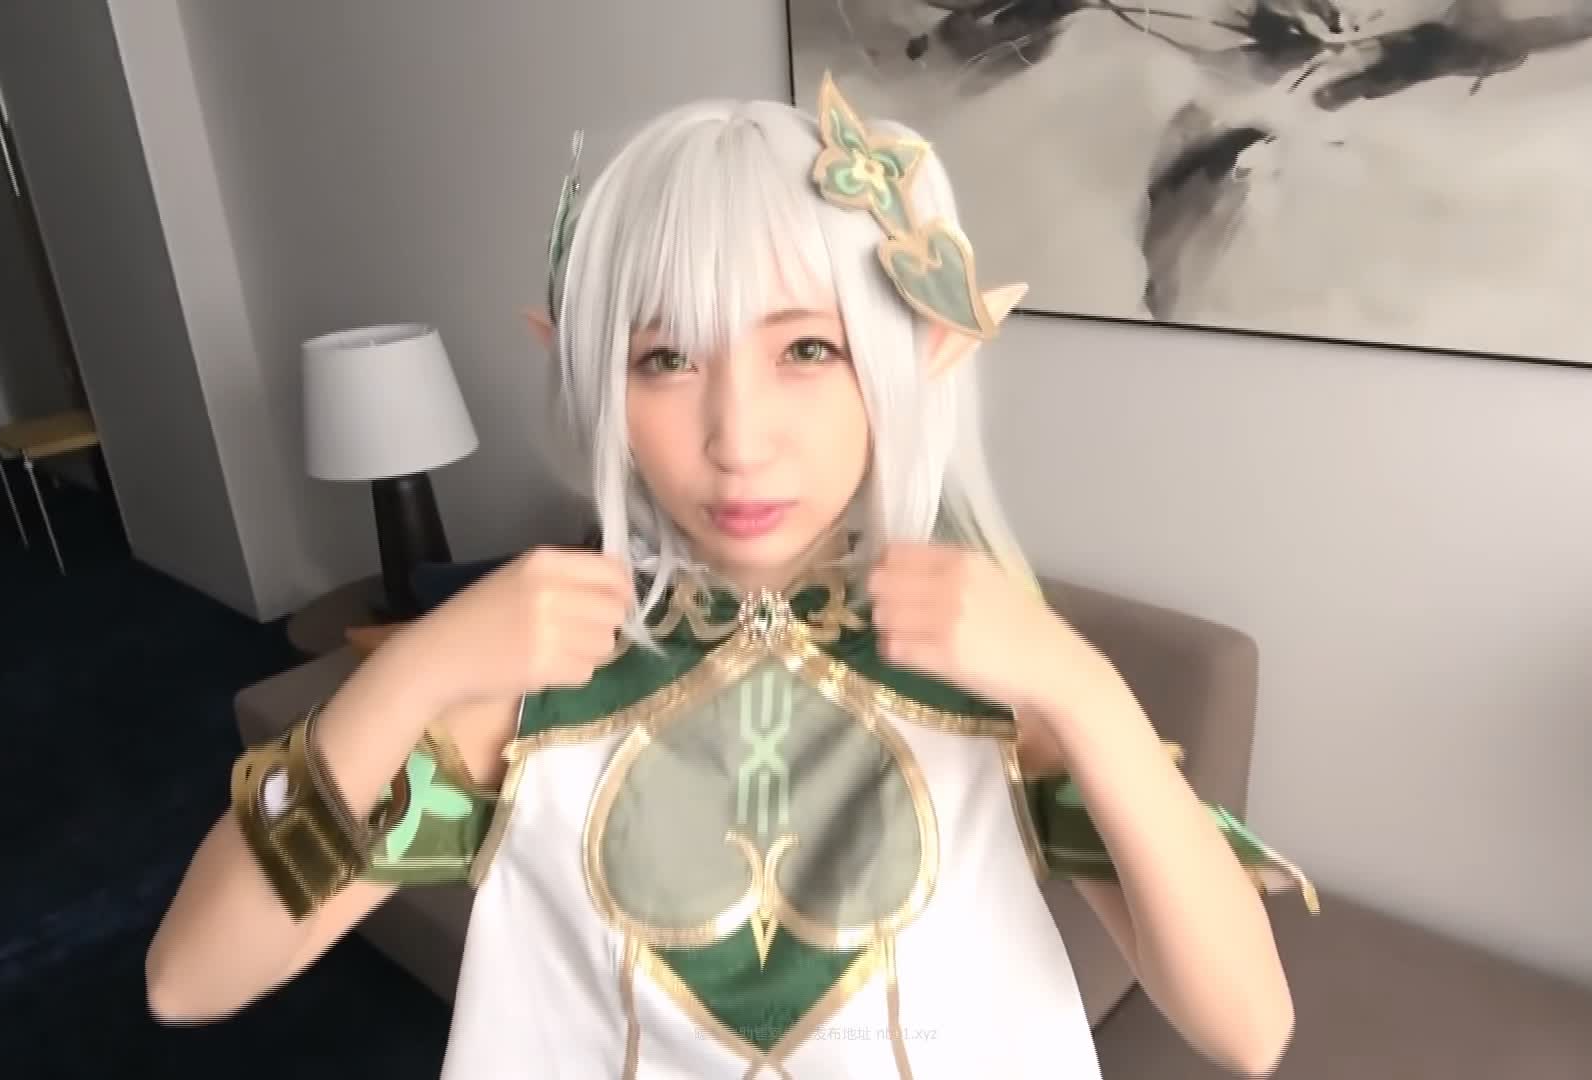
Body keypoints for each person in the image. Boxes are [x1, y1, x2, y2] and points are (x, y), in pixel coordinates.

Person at [144, 72, 1314, 1079]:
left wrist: (1079, 684)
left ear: (909, 355)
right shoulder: (531, 680)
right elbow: (190, 978)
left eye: (807, 347)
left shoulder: (994, 670)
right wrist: (416, 670)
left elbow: (1248, 1029)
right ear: (597, 382)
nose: (737, 438)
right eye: (665, 357)